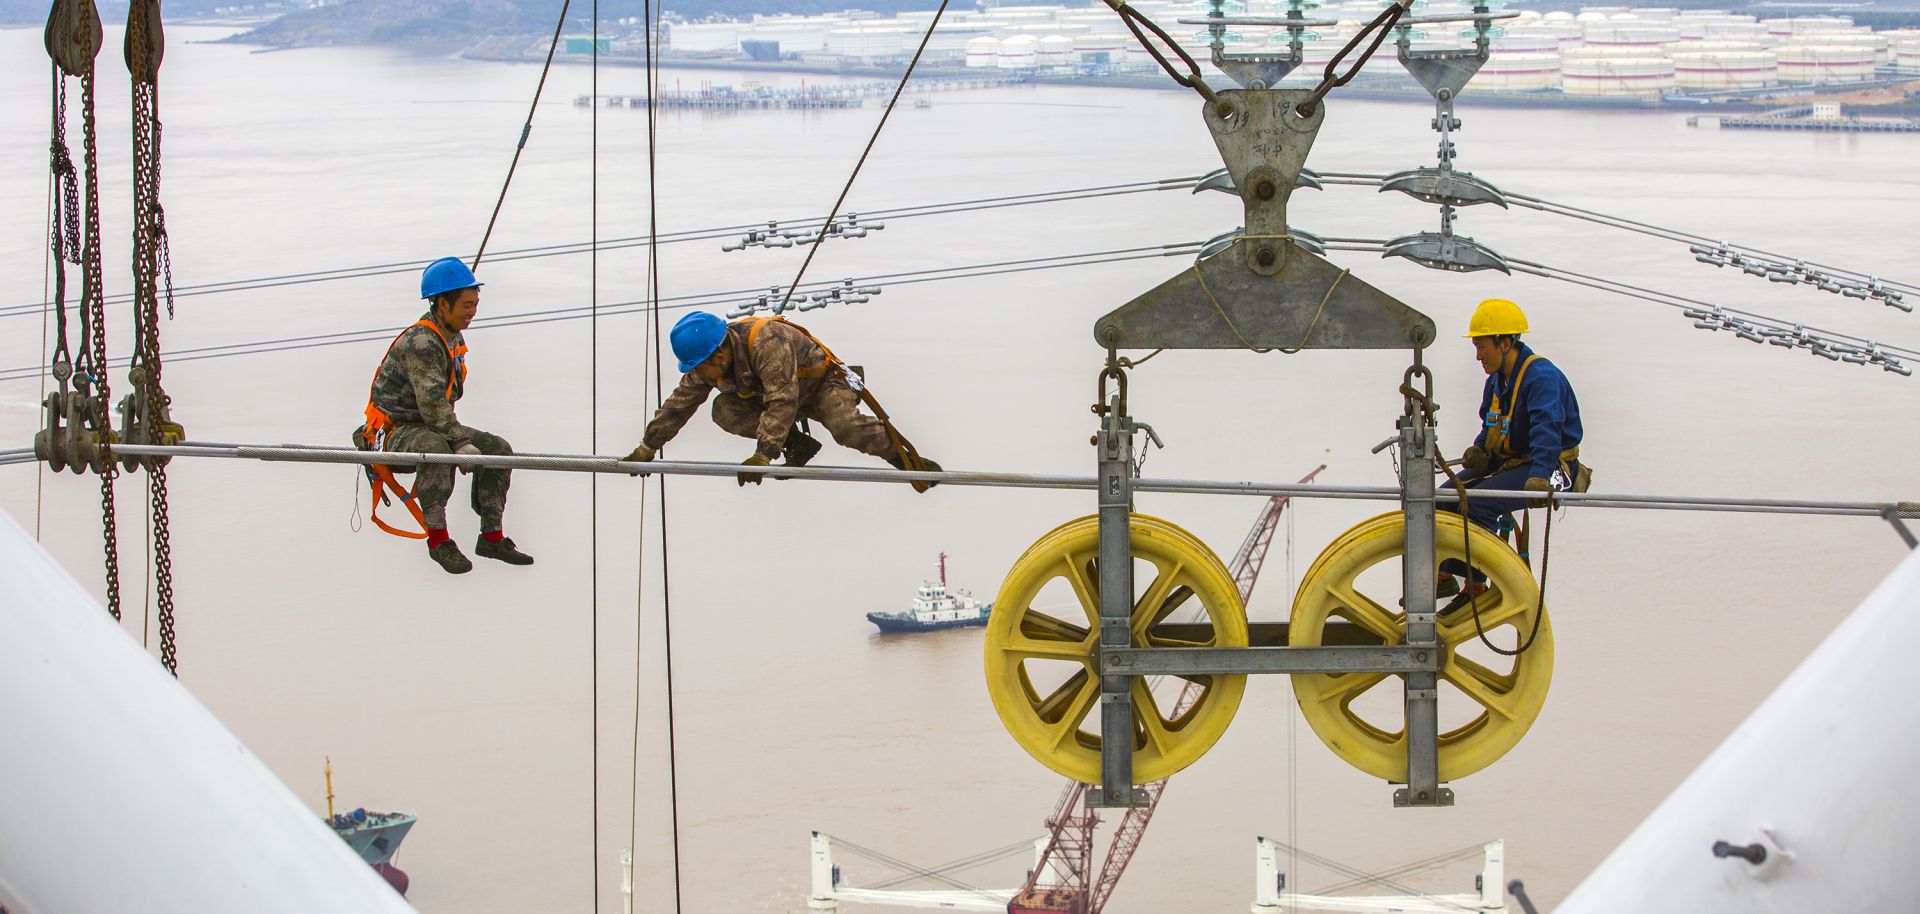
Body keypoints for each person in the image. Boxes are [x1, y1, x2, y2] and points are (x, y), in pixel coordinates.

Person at [355, 256, 533, 574]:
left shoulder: (451, 337)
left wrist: (463, 441)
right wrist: (460, 443)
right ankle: (439, 541)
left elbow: (440, 409)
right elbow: (434, 404)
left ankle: (491, 536)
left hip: (430, 423)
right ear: (441, 304)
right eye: (466, 305)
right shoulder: (422, 342)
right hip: (397, 431)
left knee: (498, 450)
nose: (472, 312)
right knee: (436, 449)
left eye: (475, 304)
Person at [623, 312, 939, 489]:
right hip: (778, 395)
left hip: (820, 386)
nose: (696, 373)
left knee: (846, 428)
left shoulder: (765, 342)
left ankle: (905, 460)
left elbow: (782, 400)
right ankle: (797, 444)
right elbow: (678, 406)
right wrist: (647, 447)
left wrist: (763, 455)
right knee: (725, 411)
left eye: (698, 366)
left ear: (717, 354)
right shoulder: (706, 367)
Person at [1441, 298, 1586, 595]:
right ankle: (1443, 578)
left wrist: (1540, 478)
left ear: (1505, 343)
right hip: (1515, 460)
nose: (1478, 356)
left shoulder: (1542, 379)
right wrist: (1480, 450)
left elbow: (1548, 430)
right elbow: (1491, 424)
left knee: (1480, 502)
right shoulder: (1497, 380)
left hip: (1550, 466)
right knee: (1440, 498)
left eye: (1482, 348)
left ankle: (1475, 588)